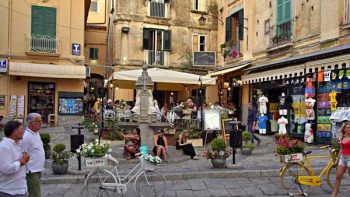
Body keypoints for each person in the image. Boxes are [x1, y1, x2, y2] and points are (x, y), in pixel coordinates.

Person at [0, 121, 30, 197]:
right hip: (10, 191)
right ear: (14, 131)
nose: (23, 131)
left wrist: (24, 159)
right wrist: (22, 161)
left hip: (19, 188)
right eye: (21, 129)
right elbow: (5, 169)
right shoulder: (5, 147)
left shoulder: (17, 144)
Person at [20, 113, 45, 197]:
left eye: (41, 121)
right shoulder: (26, 137)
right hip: (31, 170)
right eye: (39, 121)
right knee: (35, 194)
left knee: (35, 192)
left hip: (37, 169)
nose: (41, 123)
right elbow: (23, 153)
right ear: (31, 123)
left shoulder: (35, 133)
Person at [331, 122, 350, 197]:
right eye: (348, 127)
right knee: (338, 177)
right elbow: (341, 149)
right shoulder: (342, 137)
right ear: (344, 129)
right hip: (342, 158)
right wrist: (337, 160)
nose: (349, 129)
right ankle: (334, 194)